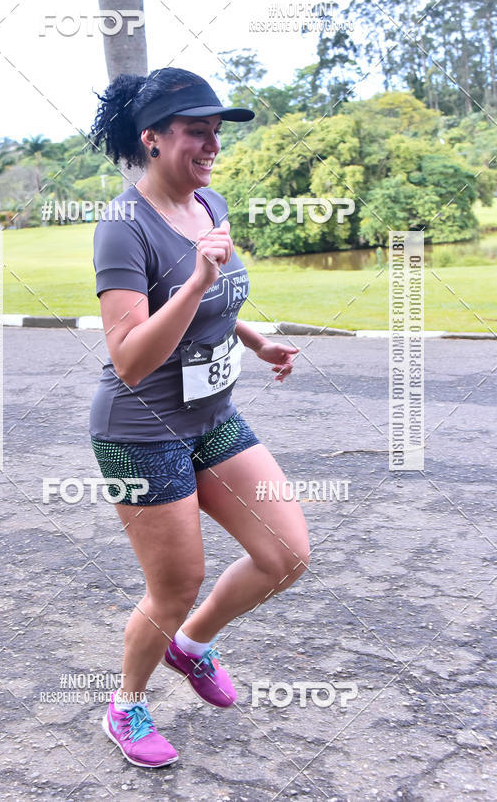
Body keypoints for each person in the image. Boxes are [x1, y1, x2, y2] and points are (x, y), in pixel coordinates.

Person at [88, 67, 311, 768]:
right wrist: (195, 281)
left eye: (216, 131)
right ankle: (125, 705)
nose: (212, 143)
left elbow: (218, 302)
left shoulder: (209, 201)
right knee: (175, 584)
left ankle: (191, 644)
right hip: (138, 429)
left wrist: (255, 336)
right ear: (151, 138)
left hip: (211, 415)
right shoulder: (122, 229)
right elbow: (129, 356)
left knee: (285, 552)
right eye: (195, 131)